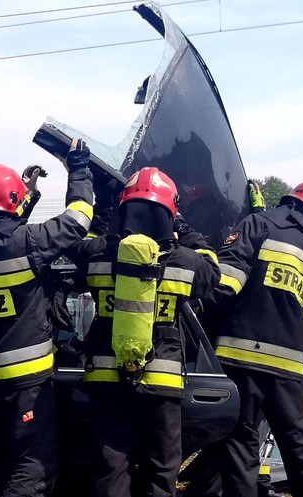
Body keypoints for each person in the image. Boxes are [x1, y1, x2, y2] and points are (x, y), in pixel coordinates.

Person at [67, 167, 220, 497]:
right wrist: (183, 228)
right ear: (169, 211)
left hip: (105, 378)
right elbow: (212, 270)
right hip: (161, 381)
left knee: (111, 467)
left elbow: (77, 246)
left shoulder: (98, 254)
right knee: (161, 469)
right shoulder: (184, 261)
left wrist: (105, 207)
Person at [0, 138, 95, 497]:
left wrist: (25, 196)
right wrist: (78, 169)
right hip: (26, 383)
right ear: (10, 203)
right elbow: (79, 219)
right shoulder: (26, 243)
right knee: (31, 471)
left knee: (1, 463)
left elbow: (6, 236)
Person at [200, 180, 303, 497]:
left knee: (241, 446)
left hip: (241, 354)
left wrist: (196, 304)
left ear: (290, 201)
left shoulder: (259, 224)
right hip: (289, 362)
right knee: (299, 446)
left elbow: (228, 281)